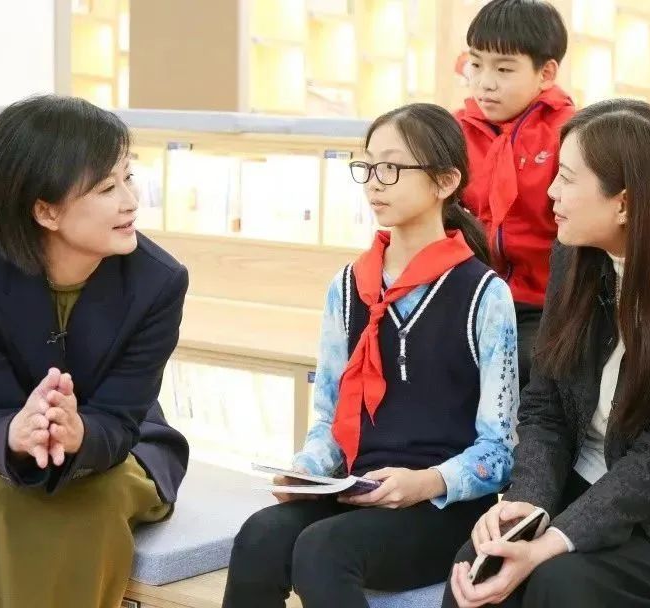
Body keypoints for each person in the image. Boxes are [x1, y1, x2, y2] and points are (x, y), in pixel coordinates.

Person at [445, 98, 650, 608]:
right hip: (580, 481)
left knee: (559, 583)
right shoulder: (573, 254)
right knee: (476, 567)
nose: (551, 192)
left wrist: (553, 541)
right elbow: (546, 406)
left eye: (568, 178)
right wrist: (527, 506)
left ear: (625, 203)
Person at [222, 103, 518, 608]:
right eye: (368, 166)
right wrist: (306, 472)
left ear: (445, 181)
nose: (374, 183)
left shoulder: (484, 295)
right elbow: (329, 420)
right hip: (358, 492)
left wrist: (426, 482)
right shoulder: (347, 285)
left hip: (444, 509)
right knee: (259, 535)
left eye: (392, 167)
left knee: (323, 550)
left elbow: (500, 450)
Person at [0, 95, 190, 608]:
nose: (131, 201)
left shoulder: (159, 281)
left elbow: (121, 415)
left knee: (92, 497)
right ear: (45, 210)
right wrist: (17, 433)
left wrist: (80, 432)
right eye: (107, 188)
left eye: (128, 177)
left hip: (115, 439)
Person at [456, 0, 576, 388]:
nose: (485, 83)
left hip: (545, 303)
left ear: (546, 73)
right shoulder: (454, 131)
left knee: (522, 368)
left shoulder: (572, 134)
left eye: (504, 69)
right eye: (476, 65)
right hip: (472, 291)